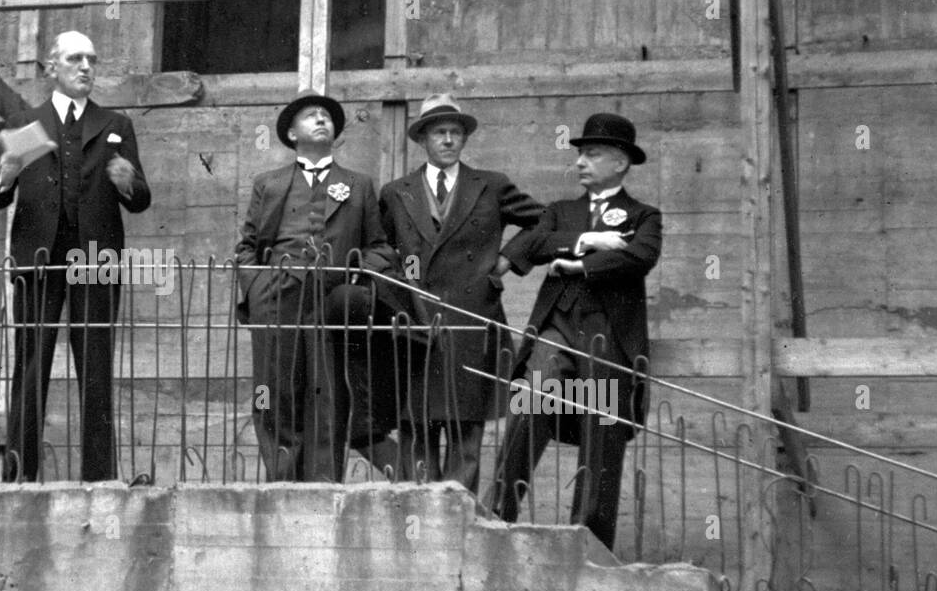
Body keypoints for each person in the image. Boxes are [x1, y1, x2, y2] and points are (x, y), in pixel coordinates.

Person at [0, 30, 151, 482]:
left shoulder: (116, 125)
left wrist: (127, 181)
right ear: (50, 67)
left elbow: (139, 200)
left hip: (95, 260)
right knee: (31, 365)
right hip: (39, 259)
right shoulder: (25, 124)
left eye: (92, 59)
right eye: (75, 58)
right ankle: (21, 475)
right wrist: (6, 173)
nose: (86, 67)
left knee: (95, 366)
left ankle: (99, 479)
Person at [486, 113, 661, 551]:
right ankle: (494, 519)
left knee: (601, 437)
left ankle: (589, 546)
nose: (580, 162)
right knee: (531, 402)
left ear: (620, 163)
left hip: (605, 339)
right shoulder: (560, 212)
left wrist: (580, 266)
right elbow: (538, 244)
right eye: (580, 154)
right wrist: (588, 240)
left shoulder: (644, 215)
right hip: (557, 328)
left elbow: (639, 257)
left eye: (592, 154)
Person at [235, 90, 404, 482]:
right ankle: (282, 483)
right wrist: (257, 288)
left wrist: (355, 273)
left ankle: (324, 487)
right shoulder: (270, 184)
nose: (321, 120)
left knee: (329, 394)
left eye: (326, 116)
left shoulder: (359, 184)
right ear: (292, 134)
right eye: (311, 116)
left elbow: (380, 247)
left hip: (332, 298)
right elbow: (246, 247)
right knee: (277, 393)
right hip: (277, 297)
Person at [379, 94, 543, 491]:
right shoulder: (395, 193)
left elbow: (544, 221)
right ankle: (417, 517)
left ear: (465, 138)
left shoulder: (490, 185)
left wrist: (507, 259)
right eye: (440, 133)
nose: (449, 140)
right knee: (416, 425)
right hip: (417, 325)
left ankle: (458, 517)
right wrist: (400, 290)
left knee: (465, 427)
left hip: (473, 318)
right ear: (423, 140)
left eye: (456, 132)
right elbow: (380, 250)